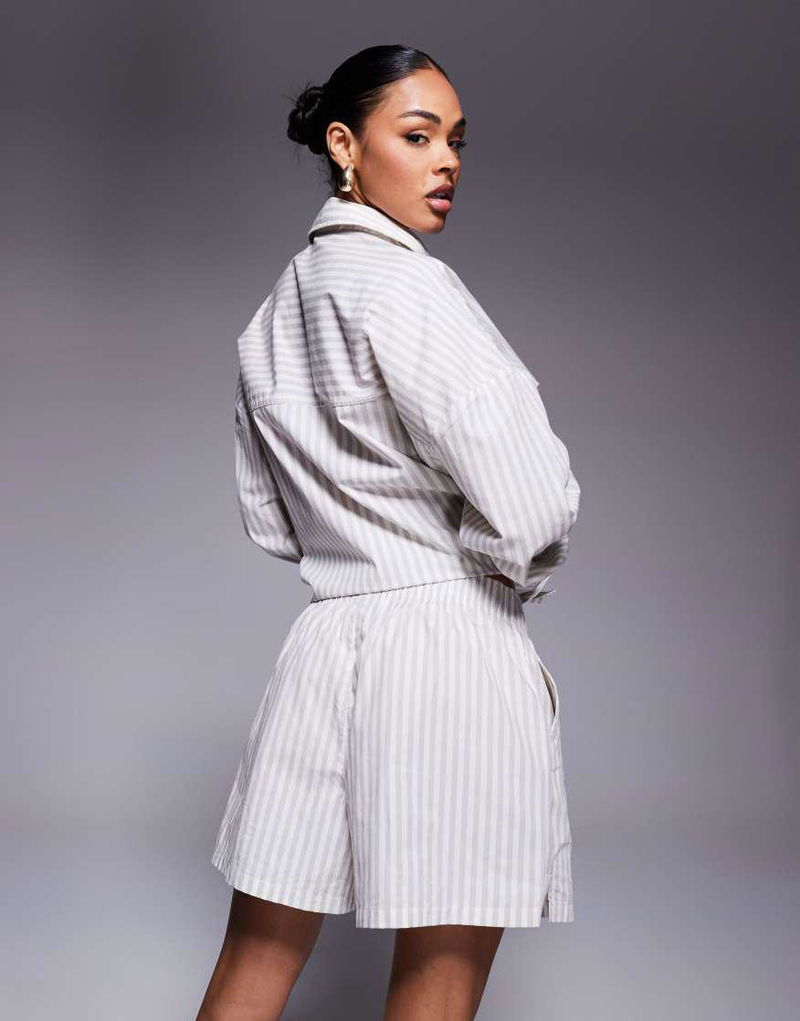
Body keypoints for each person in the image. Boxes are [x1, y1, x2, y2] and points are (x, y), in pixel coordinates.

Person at [197, 43, 581, 1021]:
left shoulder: (272, 316)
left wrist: (359, 549)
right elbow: (531, 503)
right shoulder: (413, 289)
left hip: (326, 642)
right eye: (417, 136)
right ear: (343, 143)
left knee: (252, 963)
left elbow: (269, 517)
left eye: (455, 141)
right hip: (449, 647)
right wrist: (472, 567)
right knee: (437, 979)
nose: (446, 160)